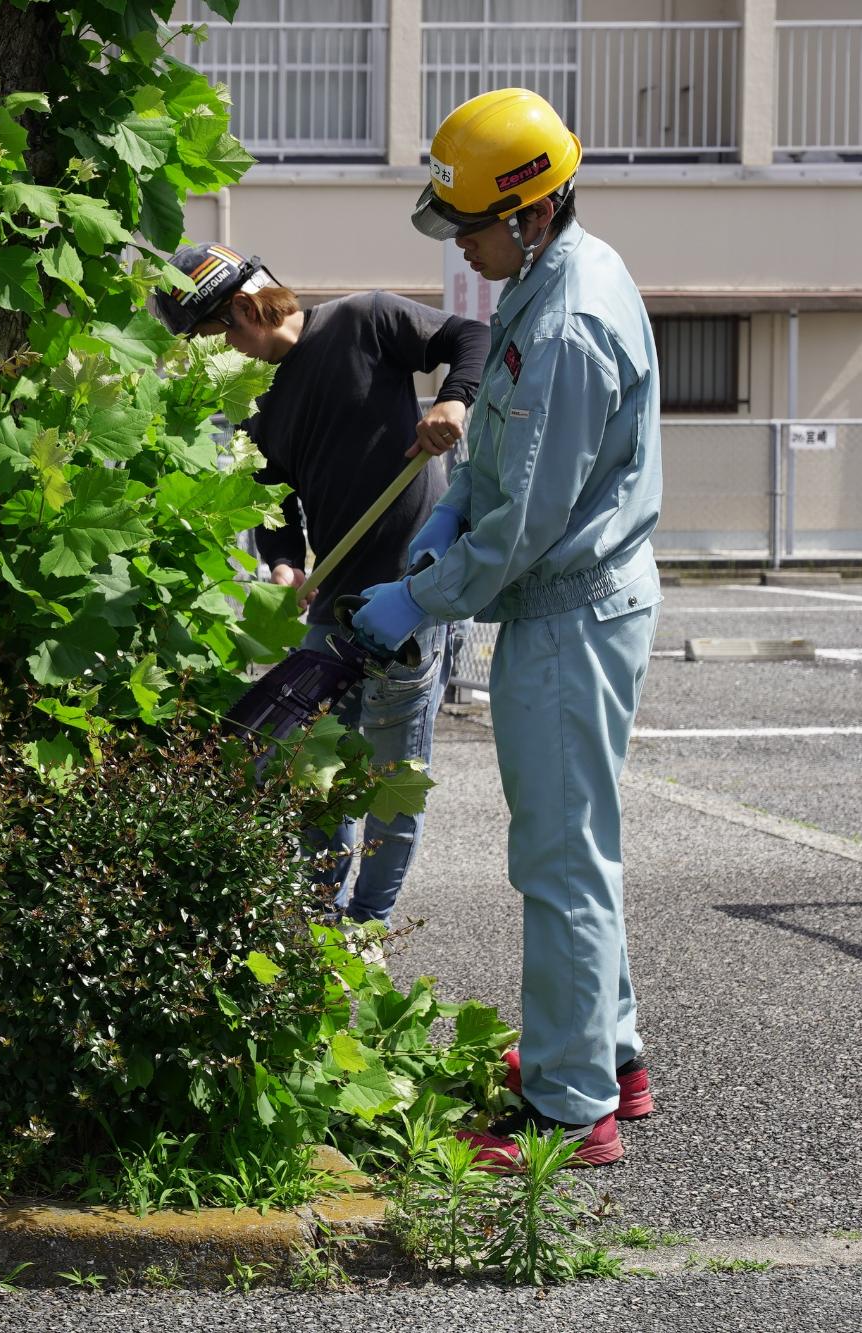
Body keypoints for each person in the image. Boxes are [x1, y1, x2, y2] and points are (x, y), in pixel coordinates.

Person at [351, 88, 664, 1168]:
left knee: (557, 860)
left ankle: (575, 1109)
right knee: (578, 846)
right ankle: (607, 1052)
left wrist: (417, 593)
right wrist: (449, 507)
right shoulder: (560, 275)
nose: (462, 246)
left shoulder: (565, 319)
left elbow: (524, 523)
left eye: (471, 226)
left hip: (567, 610)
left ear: (528, 212)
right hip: (576, 600)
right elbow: (506, 458)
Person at [151, 243, 489, 926]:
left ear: (246, 309)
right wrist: (282, 562)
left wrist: (454, 402)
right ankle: (321, 914)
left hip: (412, 592)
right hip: (334, 604)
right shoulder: (262, 404)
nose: (220, 354)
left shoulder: (365, 319)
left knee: (394, 777)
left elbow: (471, 336)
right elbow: (275, 507)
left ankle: (369, 922)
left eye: (216, 334)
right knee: (316, 768)